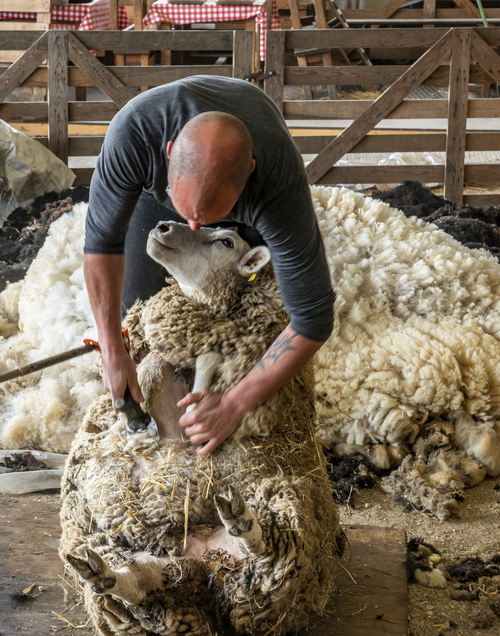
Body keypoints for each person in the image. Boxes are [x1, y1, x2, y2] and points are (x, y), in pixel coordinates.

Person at [84, 75, 335, 456]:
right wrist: (110, 346)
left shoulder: (277, 181)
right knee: (137, 310)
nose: (197, 225)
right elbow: (102, 244)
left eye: (211, 215)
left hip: (238, 197)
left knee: (261, 316)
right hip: (161, 194)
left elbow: (313, 318)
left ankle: (257, 425)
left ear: (249, 173)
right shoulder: (132, 135)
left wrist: (236, 403)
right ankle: (148, 410)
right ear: (168, 151)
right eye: (191, 214)